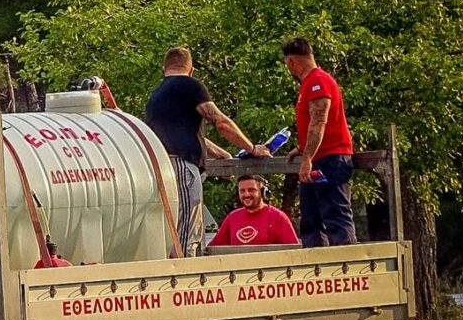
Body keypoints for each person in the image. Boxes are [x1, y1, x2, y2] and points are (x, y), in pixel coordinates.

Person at [145, 47, 271, 257]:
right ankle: (185, 276)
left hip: (160, 166)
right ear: (191, 69)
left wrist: (218, 153)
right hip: (181, 166)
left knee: (173, 226)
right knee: (186, 228)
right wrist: (251, 147)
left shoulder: (156, 95)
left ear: (163, 68)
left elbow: (183, 132)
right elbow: (220, 121)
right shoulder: (190, 86)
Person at [282, 37, 356, 247]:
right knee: (311, 219)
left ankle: (346, 265)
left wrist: (307, 158)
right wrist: (302, 147)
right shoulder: (308, 84)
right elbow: (314, 125)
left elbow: (319, 121)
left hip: (330, 159)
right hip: (318, 157)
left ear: (291, 62)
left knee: (335, 215)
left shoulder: (318, 81)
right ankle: (316, 268)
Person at [209, 175, 299, 246]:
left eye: (251, 190)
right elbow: (214, 248)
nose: (246, 194)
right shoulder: (232, 217)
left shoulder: (278, 217)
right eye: (242, 191)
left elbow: (293, 252)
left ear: (263, 192)